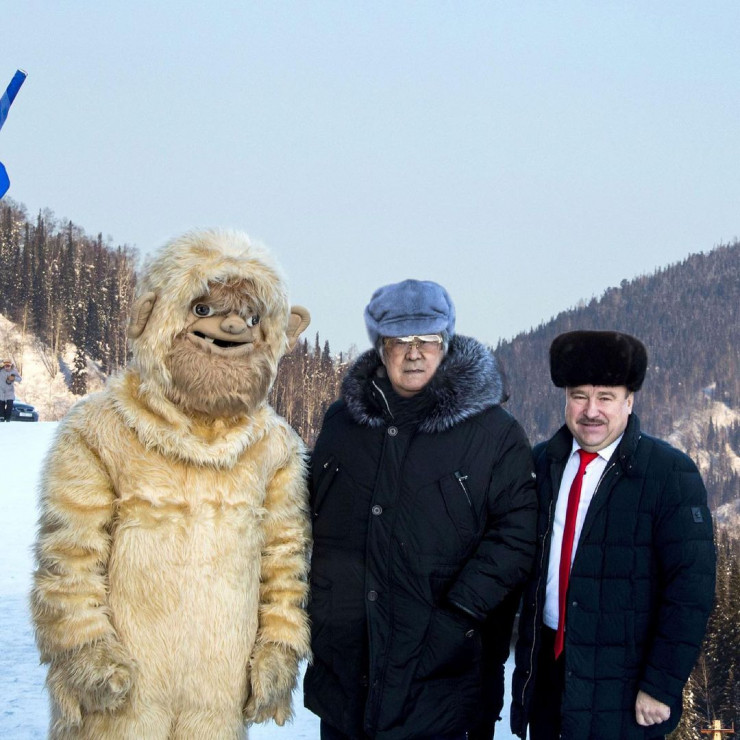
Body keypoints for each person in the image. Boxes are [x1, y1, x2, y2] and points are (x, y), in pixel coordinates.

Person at [304, 279, 538, 740]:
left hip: (442, 676)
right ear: (381, 346)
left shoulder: (493, 432)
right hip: (347, 670)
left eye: (426, 339)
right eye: (400, 340)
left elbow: (516, 535)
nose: (414, 353)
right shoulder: (342, 423)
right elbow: (308, 513)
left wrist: (460, 613)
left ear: (445, 342)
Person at [511, 330, 716, 740]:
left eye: (605, 397)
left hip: (623, 685)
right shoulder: (542, 463)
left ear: (629, 400)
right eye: (579, 396)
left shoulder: (668, 473)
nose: (591, 411)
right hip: (549, 677)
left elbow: (691, 590)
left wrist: (660, 685)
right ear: (565, 398)